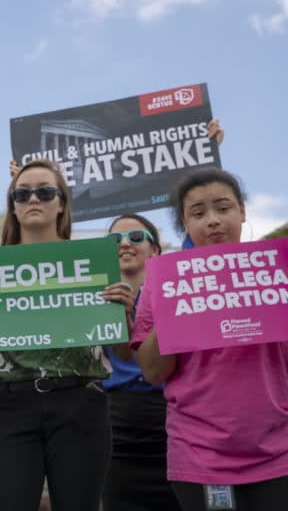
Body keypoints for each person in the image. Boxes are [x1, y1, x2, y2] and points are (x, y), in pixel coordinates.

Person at [132, 168, 288, 511]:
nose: (213, 221)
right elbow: (153, 372)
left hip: (283, 454)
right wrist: (176, 305)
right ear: (184, 224)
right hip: (200, 459)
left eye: (223, 208)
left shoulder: (286, 271)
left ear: (242, 211)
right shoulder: (161, 283)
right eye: (198, 214)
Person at [0, 159, 111, 511]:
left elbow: (121, 352)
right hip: (12, 406)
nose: (33, 199)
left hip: (79, 404)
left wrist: (122, 311)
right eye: (22, 194)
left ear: (62, 202)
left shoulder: (93, 264)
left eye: (45, 192)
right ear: (13, 207)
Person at [100, 213, 182, 511]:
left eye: (136, 237)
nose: (124, 245)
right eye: (114, 240)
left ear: (156, 250)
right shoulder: (91, 299)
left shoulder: (181, 291)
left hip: (174, 422)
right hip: (117, 427)